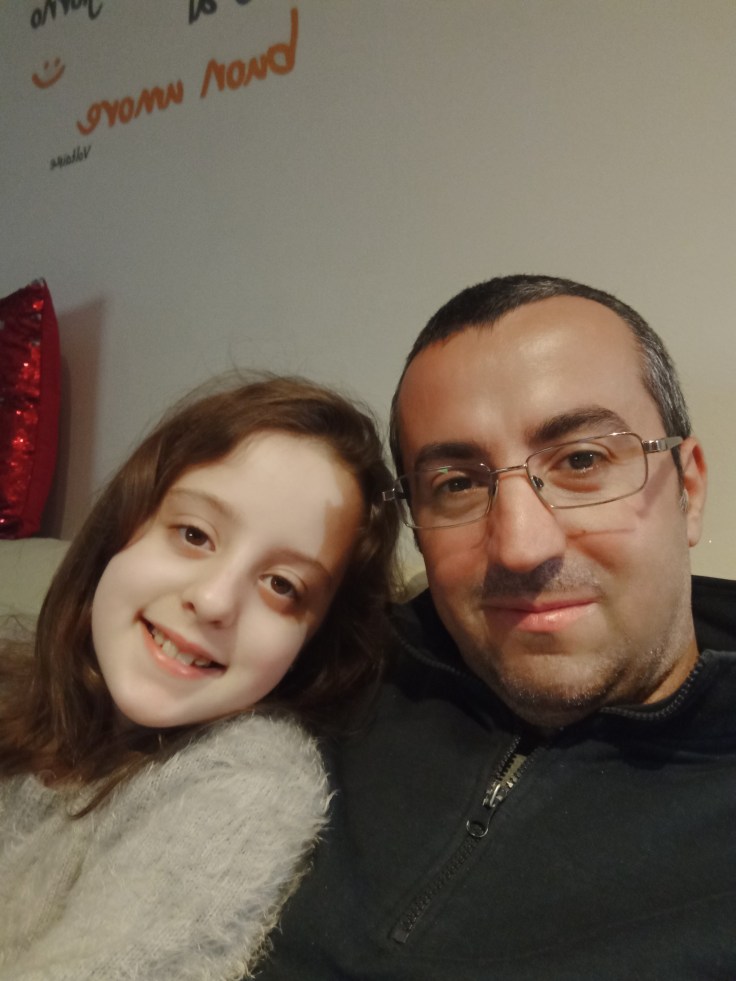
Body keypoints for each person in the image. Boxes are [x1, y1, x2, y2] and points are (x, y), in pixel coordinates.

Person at [255, 276, 736, 980]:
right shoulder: (330, 675)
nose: (519, 546)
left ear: (688, 489)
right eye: (457, 484)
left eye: (581, 460)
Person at [0, 374, 399, 980]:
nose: (214, 600)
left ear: (312, 645)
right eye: (194, 534)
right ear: (122, 529)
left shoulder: (244, 787)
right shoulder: (22, 686)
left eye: (282, 585)